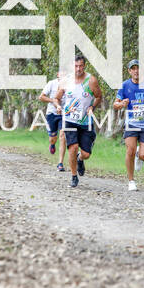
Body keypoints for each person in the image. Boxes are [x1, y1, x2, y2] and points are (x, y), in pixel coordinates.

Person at [113, 59, 144, 191]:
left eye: (138, 68)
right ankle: (131, 181)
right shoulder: (125, 85)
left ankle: (139, 155)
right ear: (129, 71)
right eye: (133, 69)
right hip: (132, 123)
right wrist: (122, 104)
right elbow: (115, 104)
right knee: (129, 150)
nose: (136, 71)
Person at [54, 55, 102, 188]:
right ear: (72, 67)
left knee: (86, 154)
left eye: (81, 66)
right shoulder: (65, 81)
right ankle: (74, 176)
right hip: (69, 119)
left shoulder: (91, 80)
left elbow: (99, 96)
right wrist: (58, 106)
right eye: (76, 66)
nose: (78, 69)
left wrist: (92, 107)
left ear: (84, 66)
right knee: (73, 148)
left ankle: (80, 159)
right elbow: (57, 98)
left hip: (85, 121)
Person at [39, 71, 66, 171]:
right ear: (58, 74)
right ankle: (52, 144)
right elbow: (41, 97)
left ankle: (60, 163)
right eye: (62, 73)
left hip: (64, 114)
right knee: (53, 138)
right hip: (52, 113)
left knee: (63, 136)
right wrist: (53, 100)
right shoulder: (51, 83)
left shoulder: (71, 84)